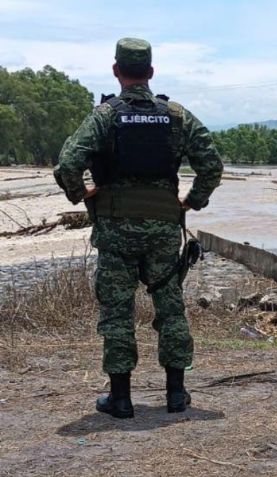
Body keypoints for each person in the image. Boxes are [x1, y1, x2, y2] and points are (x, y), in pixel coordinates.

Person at [54, 38, 223, 418]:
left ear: (116, 71)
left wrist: (85, 195)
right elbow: (211, 165)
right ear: (150, 72)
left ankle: (121, 399)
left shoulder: (105, 116)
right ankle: (176, 396)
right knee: (170, 307)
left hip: (115, 230)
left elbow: (67, 163)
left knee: (117, 312)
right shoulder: (176, 116)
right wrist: (191, 201)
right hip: (164, 228)